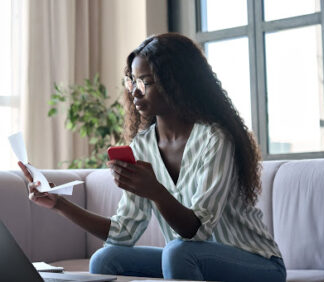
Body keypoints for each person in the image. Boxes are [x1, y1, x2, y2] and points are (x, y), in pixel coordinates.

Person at [18, 33, 286, 282]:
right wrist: (60, 205)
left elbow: (198, 231)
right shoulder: (143, 146)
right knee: (106, 258)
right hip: (189, 256)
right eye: (133, 81)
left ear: (177, 83)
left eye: (146, 82)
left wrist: (155, 191)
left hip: (258, 263)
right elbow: (123, 233)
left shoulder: (215, 139)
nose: (135, 91)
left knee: (178, 252)